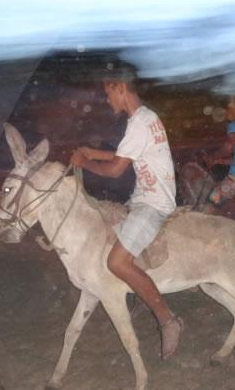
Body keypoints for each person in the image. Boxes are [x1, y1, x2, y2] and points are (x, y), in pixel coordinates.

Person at [70, 64, 183, 359]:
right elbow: (128, 155)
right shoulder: (145, 117)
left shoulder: (138, 123)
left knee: (116, 261)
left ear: (120, 88)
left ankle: (168, 320)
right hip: (141, 197)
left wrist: (85, 164)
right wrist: (94, 153)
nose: (108, 100)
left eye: (108, 93)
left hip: (154, 204)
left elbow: (116, 170)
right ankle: (131, 293)